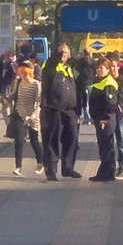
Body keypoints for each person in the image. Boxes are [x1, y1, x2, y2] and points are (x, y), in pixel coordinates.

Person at [40, 43, 81, 180]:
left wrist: (78, 110)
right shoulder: (50, 65)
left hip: (69, 110)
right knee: (52, 139)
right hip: (53, 109)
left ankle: (68, 168)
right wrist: (58, 54)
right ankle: (51, 170)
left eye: (66, 53)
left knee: (72, 138)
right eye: (62, 53)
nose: (64, 55)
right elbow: (51, 64)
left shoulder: (69, 68)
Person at [7, 52, 43, 176]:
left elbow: (39, 103)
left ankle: (40, 162)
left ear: (30, 72)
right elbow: (15, 94)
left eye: (25, 72)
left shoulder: (36, 85)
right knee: (19, 139)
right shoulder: (19, 83)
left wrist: (34, 115)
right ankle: (18, 167)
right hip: (20, 113)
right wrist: (7, 98)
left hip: (32, 115)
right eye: (21, 72)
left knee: (34, 141)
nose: (22, 74)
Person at [86, 58, 122, 182]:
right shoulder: (100, 82)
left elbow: (110, 103)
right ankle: (108, 172)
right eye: (98, 68)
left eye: (102, 68)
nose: (99, 70)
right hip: (100, 119)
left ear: (108, 69)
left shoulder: (109, 83)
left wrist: (104, 119)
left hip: (105, 119)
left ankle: (105, 173)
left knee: (106, 146)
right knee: (105, 146)